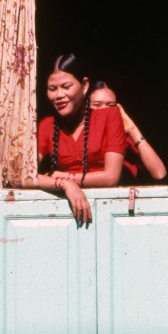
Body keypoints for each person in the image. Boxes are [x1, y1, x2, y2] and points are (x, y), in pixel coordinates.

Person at [37, 54, 125, 225]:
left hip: (108, 211)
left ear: (84, 85)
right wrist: (65, 184)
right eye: (52, 89)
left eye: (66, 86)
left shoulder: (109, 116)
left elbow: (111, 177)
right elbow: (26, 177)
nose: (59, 95)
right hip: (64, 214)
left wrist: (62, 176)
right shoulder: (47, 125)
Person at [88, 80, 166, 182]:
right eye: (97, 105)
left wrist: (132, 129)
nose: (105, 110)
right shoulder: (77, 135)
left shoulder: (122, 138)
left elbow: (159, 173)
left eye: (110, 105)